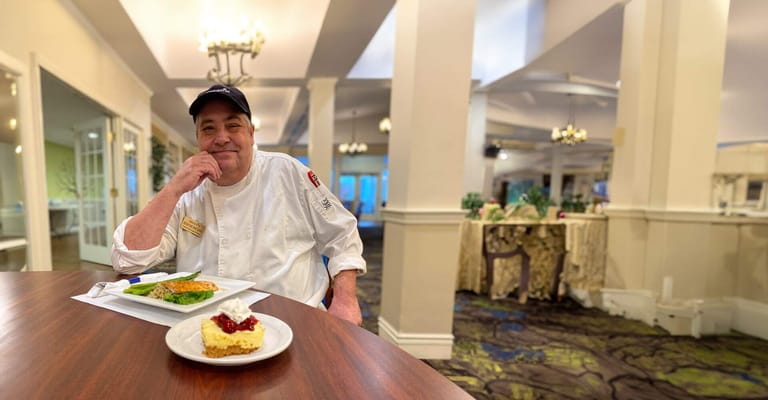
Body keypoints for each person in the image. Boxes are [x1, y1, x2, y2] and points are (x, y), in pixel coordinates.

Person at [111, 84, 366, 325]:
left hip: (294, 322)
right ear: (198, 139)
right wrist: (173, 189)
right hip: (204, 327)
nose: (222, 138)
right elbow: (127, 260)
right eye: (208, 129)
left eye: (233, 125)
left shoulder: (287, 171)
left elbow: (342, 233)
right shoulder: (187, 193)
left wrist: (345, 299)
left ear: (251, 133)